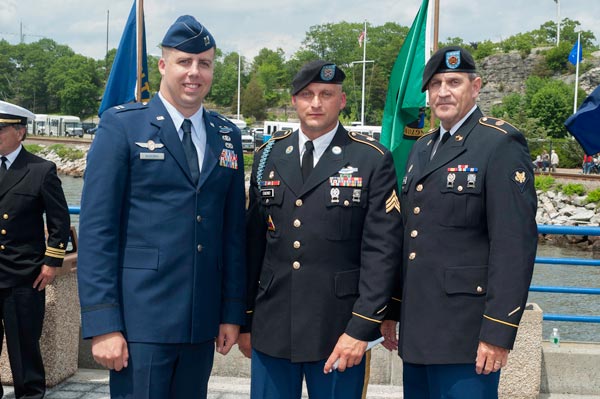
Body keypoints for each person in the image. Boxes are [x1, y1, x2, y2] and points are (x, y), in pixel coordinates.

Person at [77, 15, 246, 399]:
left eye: (204, 63)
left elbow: (232, 232)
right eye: (184, 61)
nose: (194, 72)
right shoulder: (122, 127)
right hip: (141, 322)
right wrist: (104, 324)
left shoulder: (227, 135)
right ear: (163, 65)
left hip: (201, 322)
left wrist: (232, 312)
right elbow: (98, 231)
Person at [239, 60, 403, 399]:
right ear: (294, 101)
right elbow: (253, 245)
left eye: (326, 94)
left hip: (339, 330)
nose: (316, 103)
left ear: (342, 101)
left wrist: (361, 328)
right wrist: (244, 319)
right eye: (307, 94)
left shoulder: (371, 159)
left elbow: (382, 253)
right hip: (272, 327)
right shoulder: (269, 154)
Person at [380, 46, 537, 398]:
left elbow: (514, 245)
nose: (443, 91)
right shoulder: (422, 149)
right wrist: (392, 308)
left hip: (467, 336)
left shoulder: (499, 144)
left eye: (454, 81)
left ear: (476, 86)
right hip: (419, 332)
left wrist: (498, 331)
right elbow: (410, 238)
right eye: (435, 84)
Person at [0, 101, 70, 398]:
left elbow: (60, 221)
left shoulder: (40, 170)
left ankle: (29, 395)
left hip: (23, 274)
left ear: (20, 132)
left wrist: (51, 263)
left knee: (24, 346)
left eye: (0, 129)